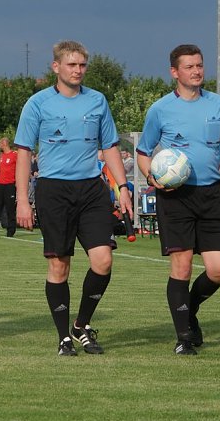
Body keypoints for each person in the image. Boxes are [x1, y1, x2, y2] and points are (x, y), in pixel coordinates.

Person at [15, 40, 133, 356]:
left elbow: (109, 146)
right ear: (56, 67)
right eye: (71, 65)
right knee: (59, 266)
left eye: (82, 65)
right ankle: (63, 337)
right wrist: (22, 200)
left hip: (92, 190)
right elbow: (24, 152)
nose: (78, 70)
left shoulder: (97, 101)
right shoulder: (37, 104)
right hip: (53, 190)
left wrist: (123, 187)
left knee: (103, 261)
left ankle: (81, 326)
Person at [137, 44, 220, 355]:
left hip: (210, 193)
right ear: (174, 72)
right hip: (175, 197)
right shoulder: (160, 109)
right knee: (182, 265)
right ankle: (184, 338)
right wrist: (154, 178)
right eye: (189, 66)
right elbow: (142, 153)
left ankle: (187, 307)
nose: (196, 71)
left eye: (199, 65)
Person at [0, 137, 17, 238]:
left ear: (4, 143)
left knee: (10, 209)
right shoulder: (1, 156)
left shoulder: (14, 155)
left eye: (0, 144)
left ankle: (10, 231)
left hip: (10, 184)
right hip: (0, 184)